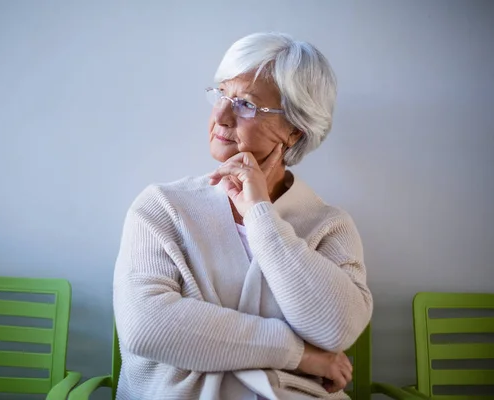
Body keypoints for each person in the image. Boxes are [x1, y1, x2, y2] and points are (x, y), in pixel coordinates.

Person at [113, 32, 373, 399]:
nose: (220, 115)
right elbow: (147, 326)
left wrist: (260, 214)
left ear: (294, 132)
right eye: (221, 95)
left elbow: (336, 329)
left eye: (246, 105)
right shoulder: (160, 207)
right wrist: (301, 355)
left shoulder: (330, 226)